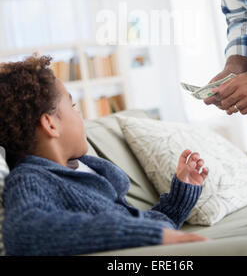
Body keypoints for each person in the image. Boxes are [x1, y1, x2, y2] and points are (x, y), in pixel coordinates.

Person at [0, 55, 209, 256]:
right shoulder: (30, 178)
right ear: (50, 124)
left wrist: (179, 197)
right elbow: (24, 232)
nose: (81, 116)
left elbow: (144, 226)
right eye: (73, 107)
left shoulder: (85, 168)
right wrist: (143, 235)